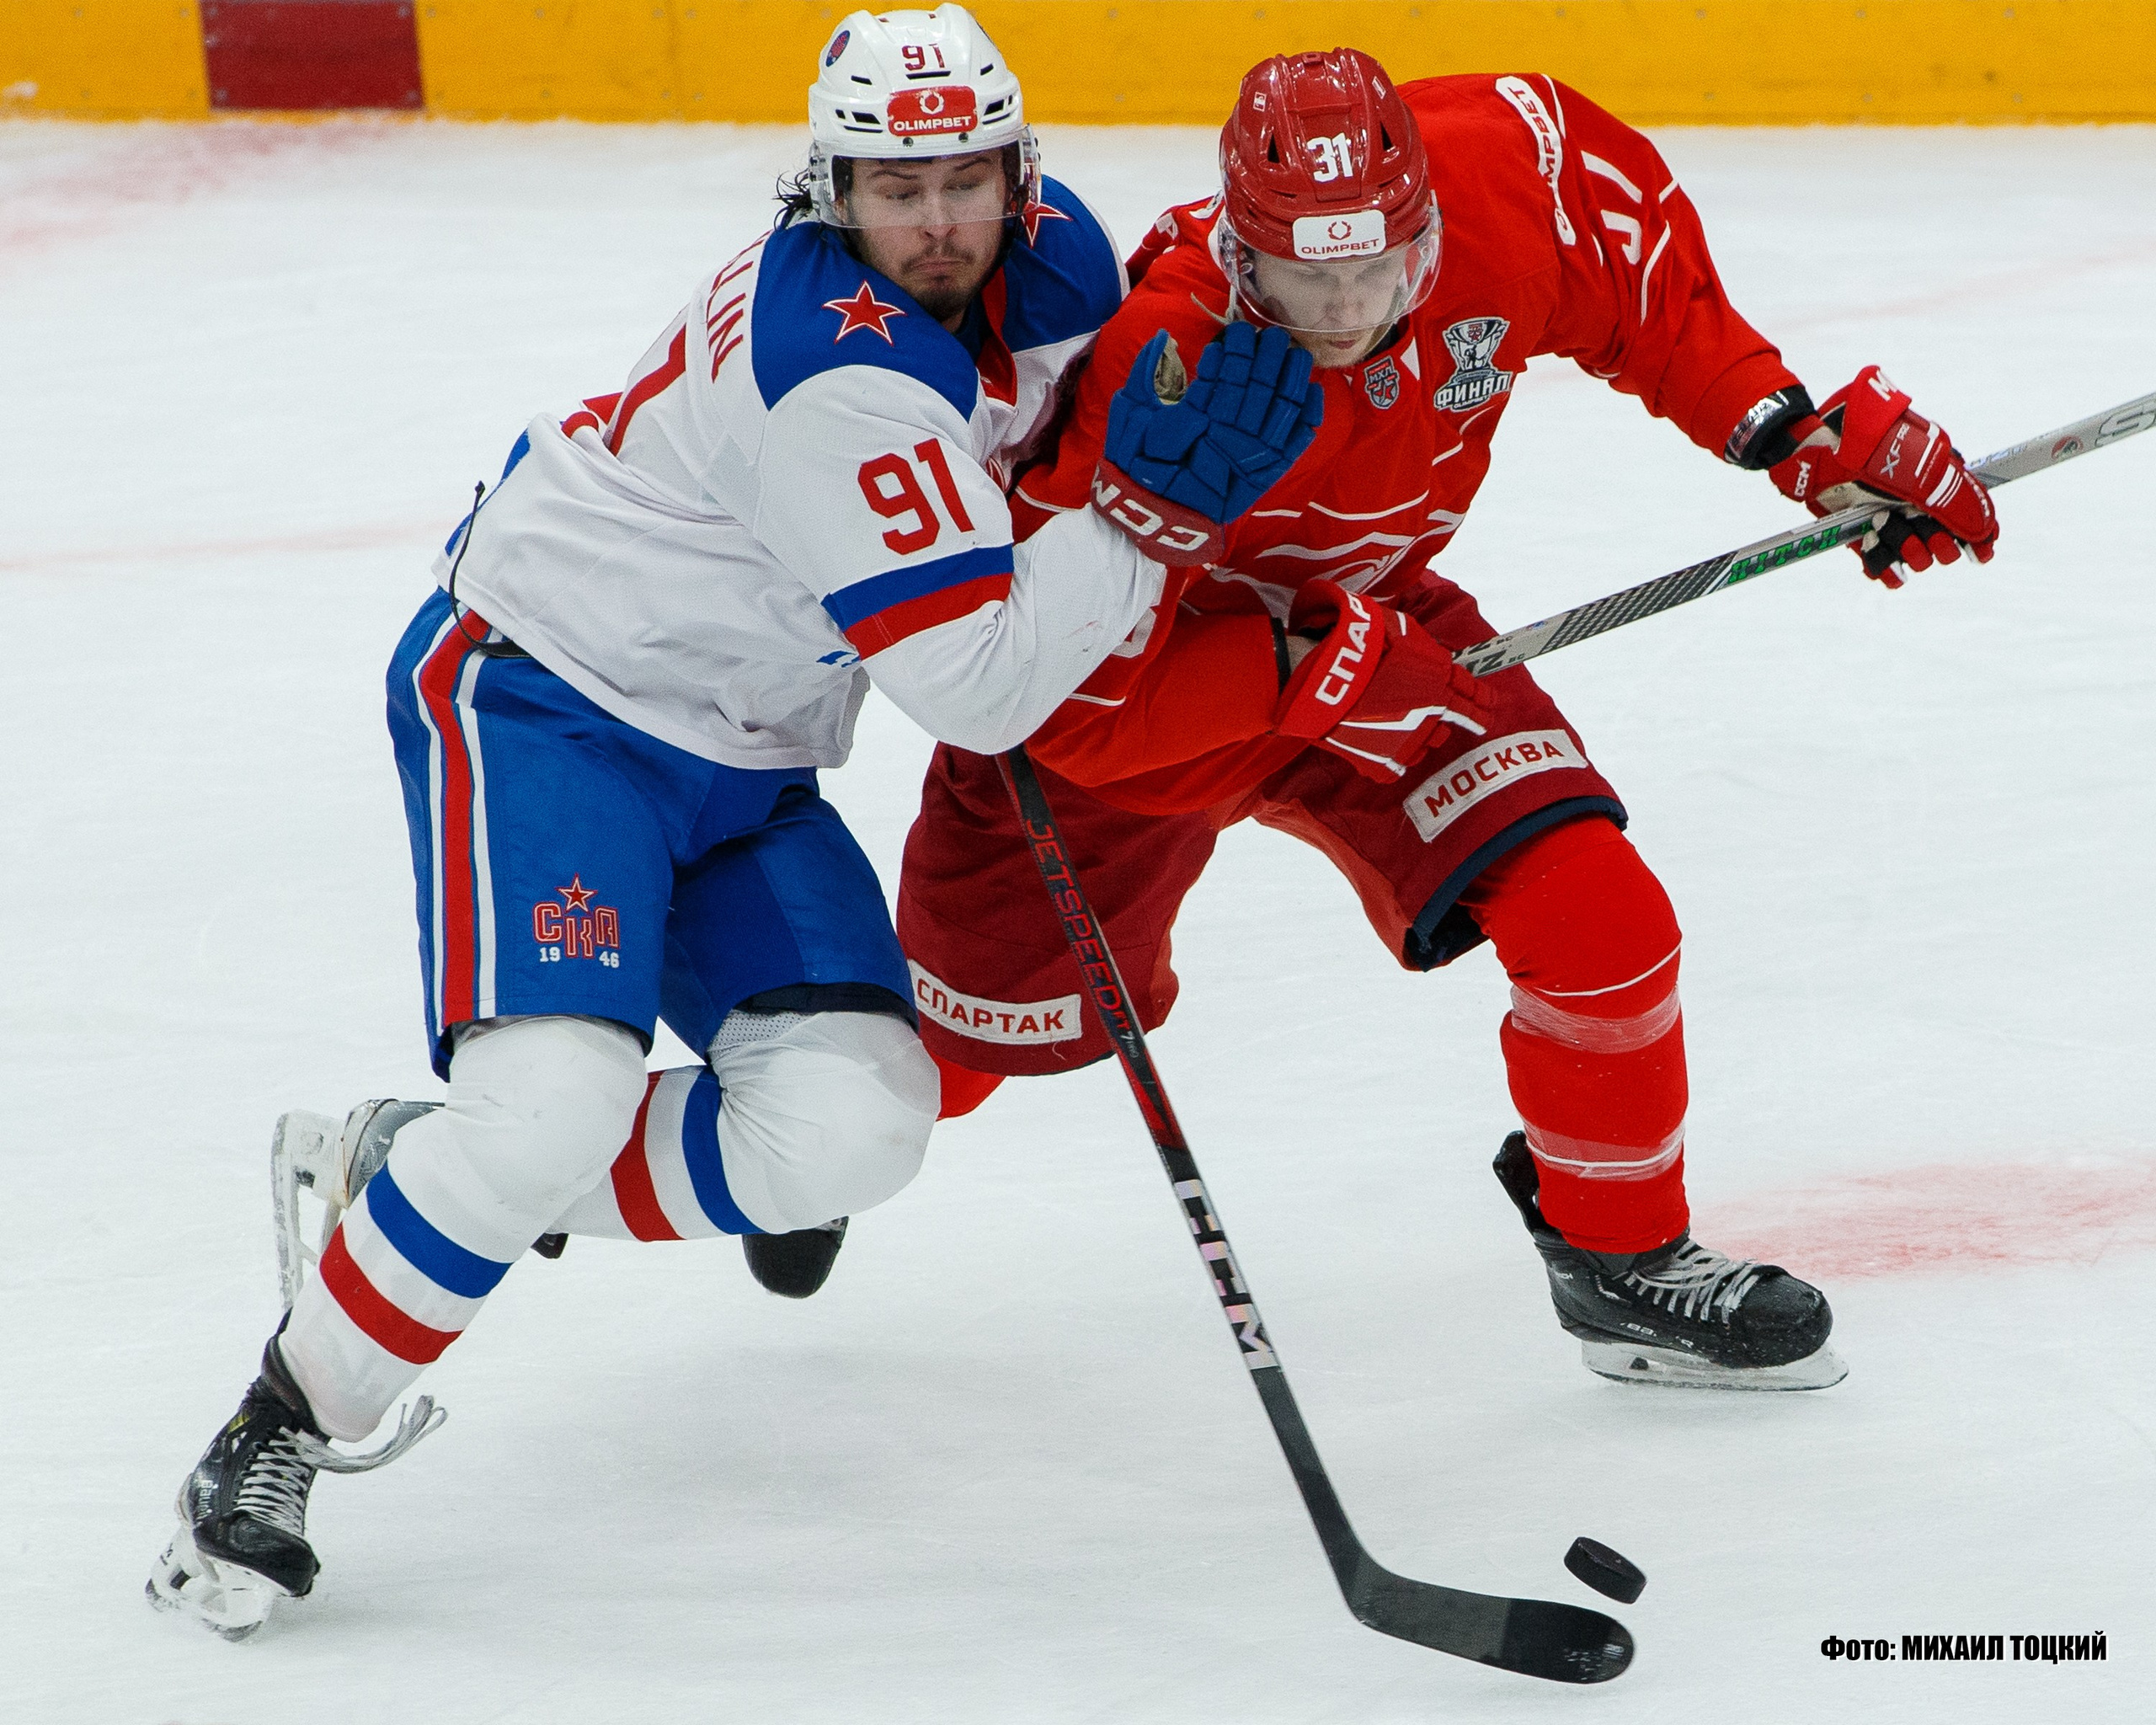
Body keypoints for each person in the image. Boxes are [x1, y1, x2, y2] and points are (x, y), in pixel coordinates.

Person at [147, 6, 1325, 1639]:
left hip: (748, 751)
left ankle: (422, 1180)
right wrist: (1144, 525)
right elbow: (980, 684)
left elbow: (1063, 455)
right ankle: (275, 1429)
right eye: (891, 186)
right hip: (549, 700)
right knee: (550, 1100)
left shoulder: (1055, 262)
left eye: (964, 179)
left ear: (1014, 171)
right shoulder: (831, 371)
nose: (934, 221)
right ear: (829, 186)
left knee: (854, 1126)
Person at [892, 51, 2000, 1391]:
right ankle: (776, 1150)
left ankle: (1622, 1261)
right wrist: (1313, 663)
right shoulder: (1164, 359)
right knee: (929, 1070)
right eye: (1307, 284)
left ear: (1427, 228)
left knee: (1603, 921)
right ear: (1245, 259)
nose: (1350, 310)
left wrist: (1788, 432)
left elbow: (1636, 269)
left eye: (1382, 273)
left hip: (1378, 630)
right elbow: (1060, 700)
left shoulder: (1499, 177)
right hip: (1151, 685)